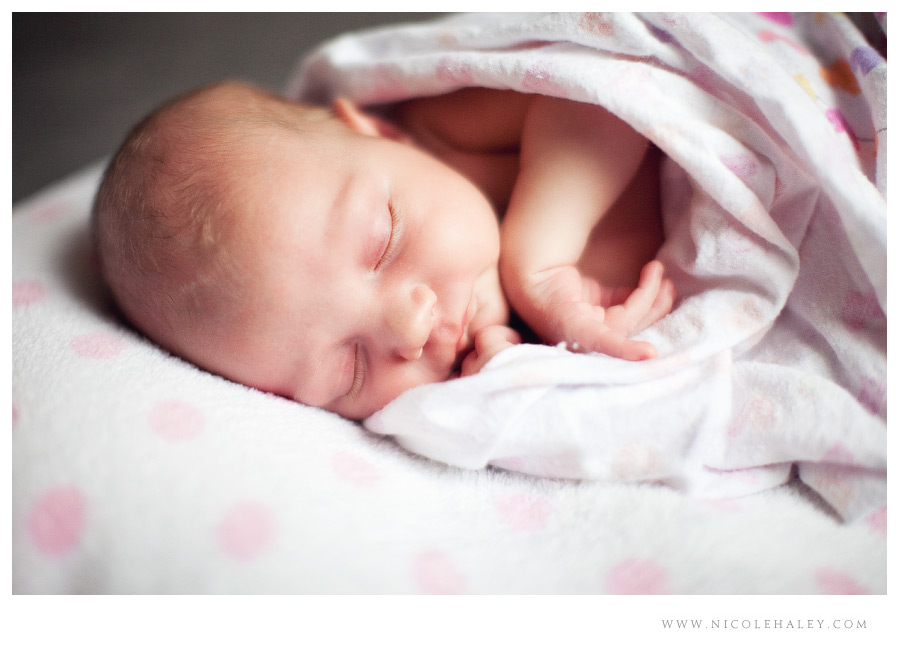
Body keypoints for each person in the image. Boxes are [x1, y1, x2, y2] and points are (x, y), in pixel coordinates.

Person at [92, 81, 675, 420]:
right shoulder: (485, 353)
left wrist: (539, 260)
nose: (408, 331)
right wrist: (516, 370)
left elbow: (605, 89)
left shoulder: (449, 129)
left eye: (383, 244)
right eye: (349, 371)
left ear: (380, 134)